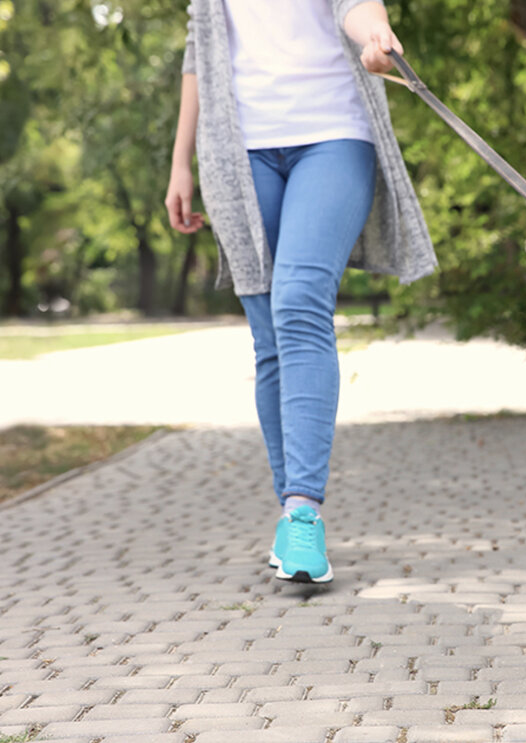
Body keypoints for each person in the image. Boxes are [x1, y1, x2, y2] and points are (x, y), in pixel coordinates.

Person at [165, 0, 437, 585]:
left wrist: (376, 36)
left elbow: (357, 5)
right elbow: (200, 48)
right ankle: (290, 514)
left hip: (333, 136)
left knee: (299, 303)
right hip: (236, 151)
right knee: (268, 338)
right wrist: (179, 163)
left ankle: (303, 511)